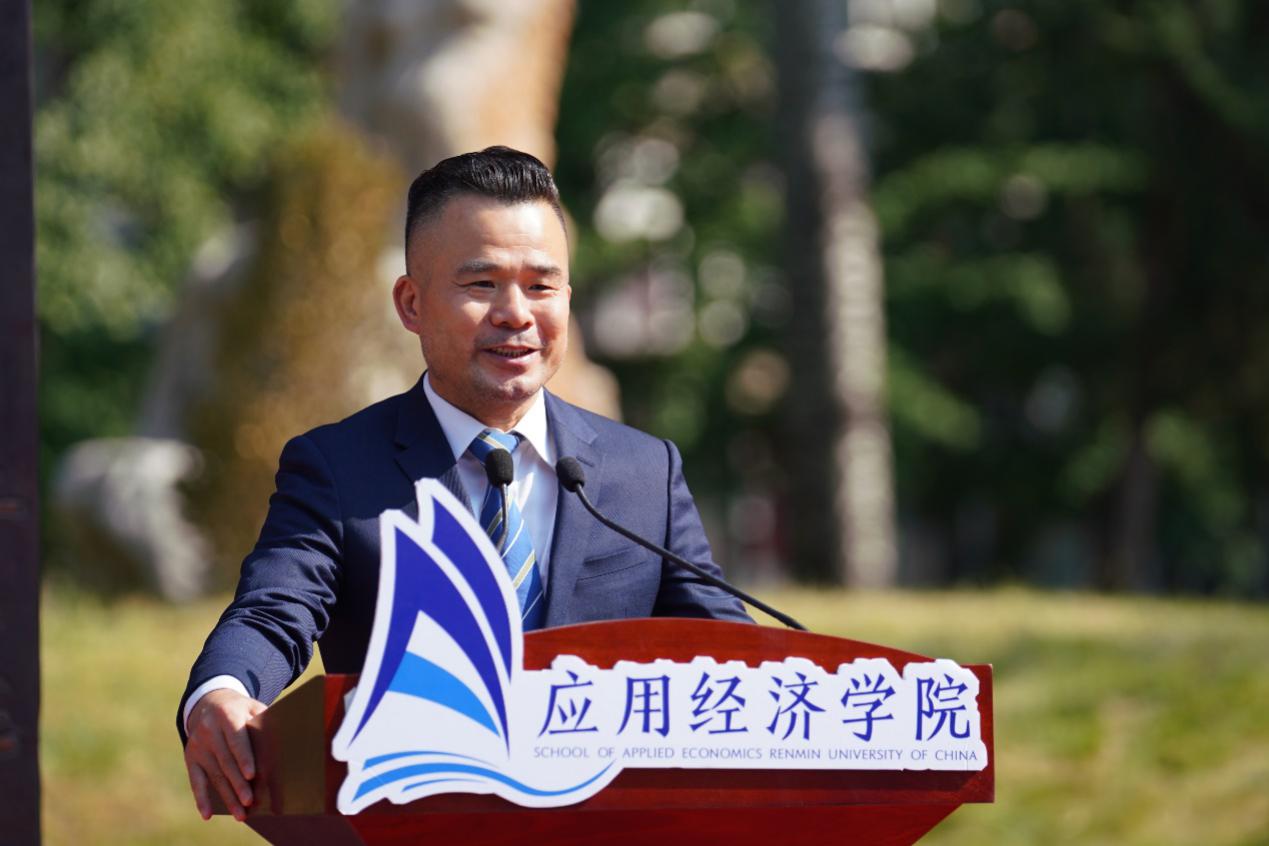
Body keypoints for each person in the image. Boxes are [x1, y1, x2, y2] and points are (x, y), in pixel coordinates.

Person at [179, 146, 751, 821]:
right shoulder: (338, 467)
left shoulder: (643, 471)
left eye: (541, 286)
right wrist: (221, 693)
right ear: (411, 303)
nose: (515, 313)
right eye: (482, 284)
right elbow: (272, 613)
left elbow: (731, 655)